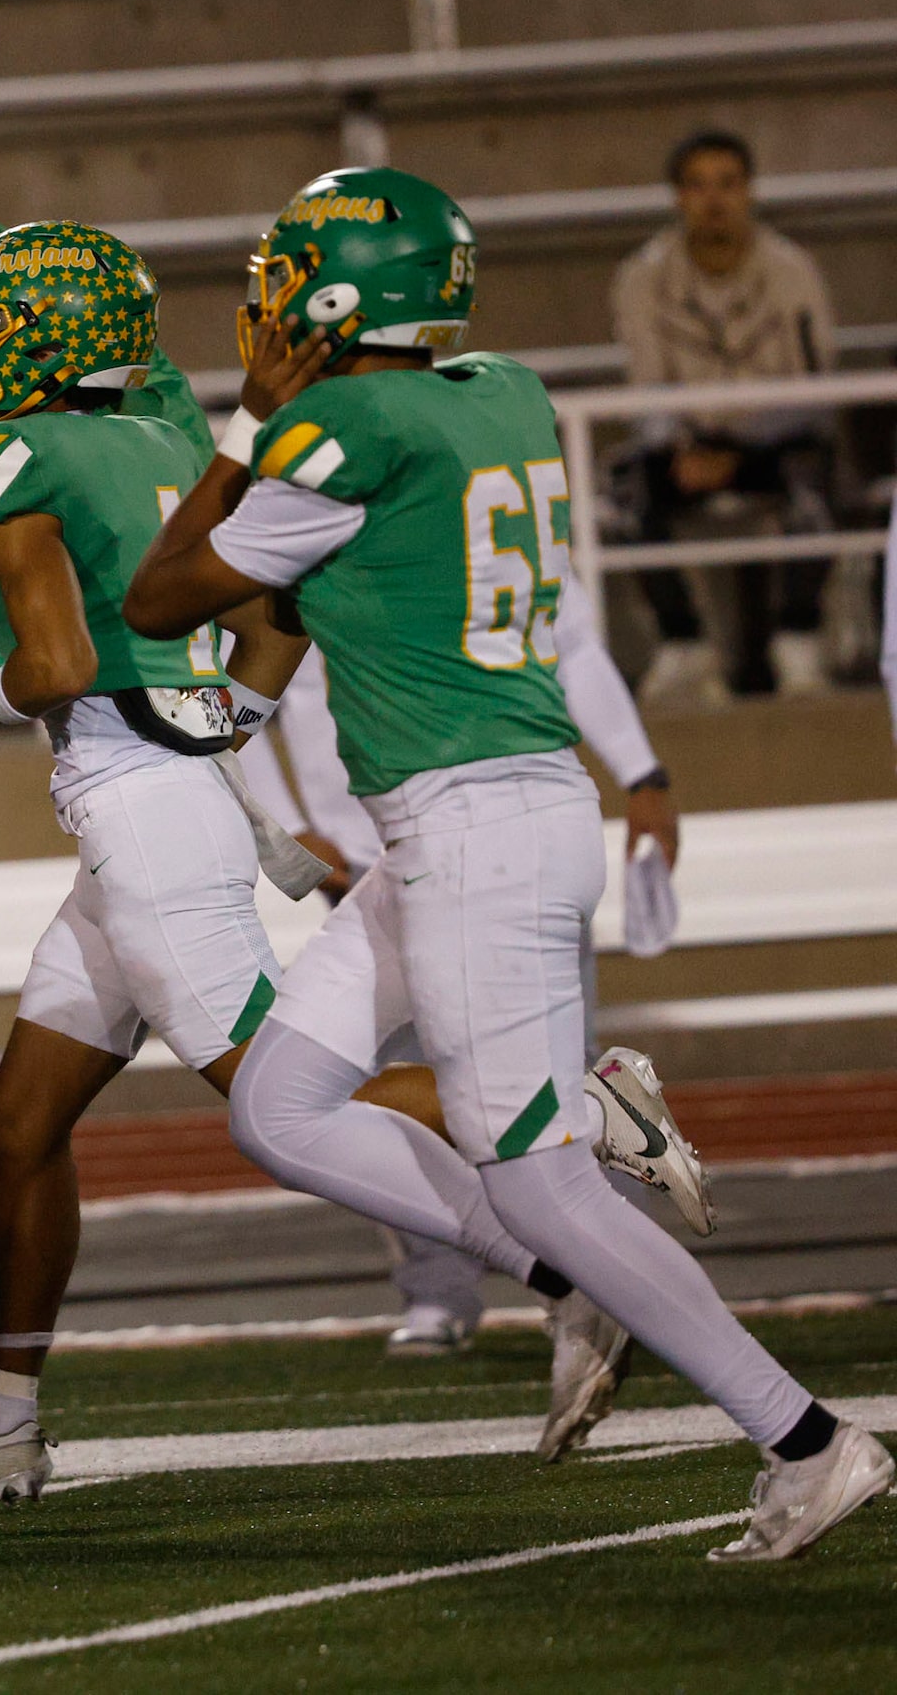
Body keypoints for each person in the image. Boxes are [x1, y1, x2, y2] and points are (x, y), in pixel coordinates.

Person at [129, 169, 889, 1562]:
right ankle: (576, 1241)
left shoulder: (341, 423)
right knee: (283, 1105)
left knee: (534, 1173)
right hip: (465, 826)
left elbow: (163, 588)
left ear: (350, 292)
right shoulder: (503, 388)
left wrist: (249, 416)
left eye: (296, 268)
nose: (274, 292)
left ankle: (808, 1438)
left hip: (473, 829)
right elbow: (321, 590)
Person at [0, 223, 316, 1510]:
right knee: (20, 1123)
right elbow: (282, 604)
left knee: (287, 1103)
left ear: (43, 336)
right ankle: (4, 1421)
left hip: (140, 810)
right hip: (165, 789)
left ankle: (572, 1140)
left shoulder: (11, 451)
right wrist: (236, 717)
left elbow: (52, 667)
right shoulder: (171, 441)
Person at [244, 580, 702, 1358]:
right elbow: (246, 682)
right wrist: (288, 828)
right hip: (382, 854)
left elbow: (575, 644)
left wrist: (643, 774)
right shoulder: (320, 513)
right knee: (374, 1092)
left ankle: (615, 1290)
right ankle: (445, 1286)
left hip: (501, 834)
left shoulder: (470, 497)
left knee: (540, 1078)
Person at [610, 129, 843, 709]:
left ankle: (799, 637)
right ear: (677, 196)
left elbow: (818, 386)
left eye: (728, 184)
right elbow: (646, 391)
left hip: (776, 442)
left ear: (749, 191)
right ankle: (683, 643)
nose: (714, 199)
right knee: (621, 485)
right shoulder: (641, 278)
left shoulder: (793, 271)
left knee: (819, 476)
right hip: (684, 449)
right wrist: (687, 446)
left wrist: (738, 449)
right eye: (698, 185)